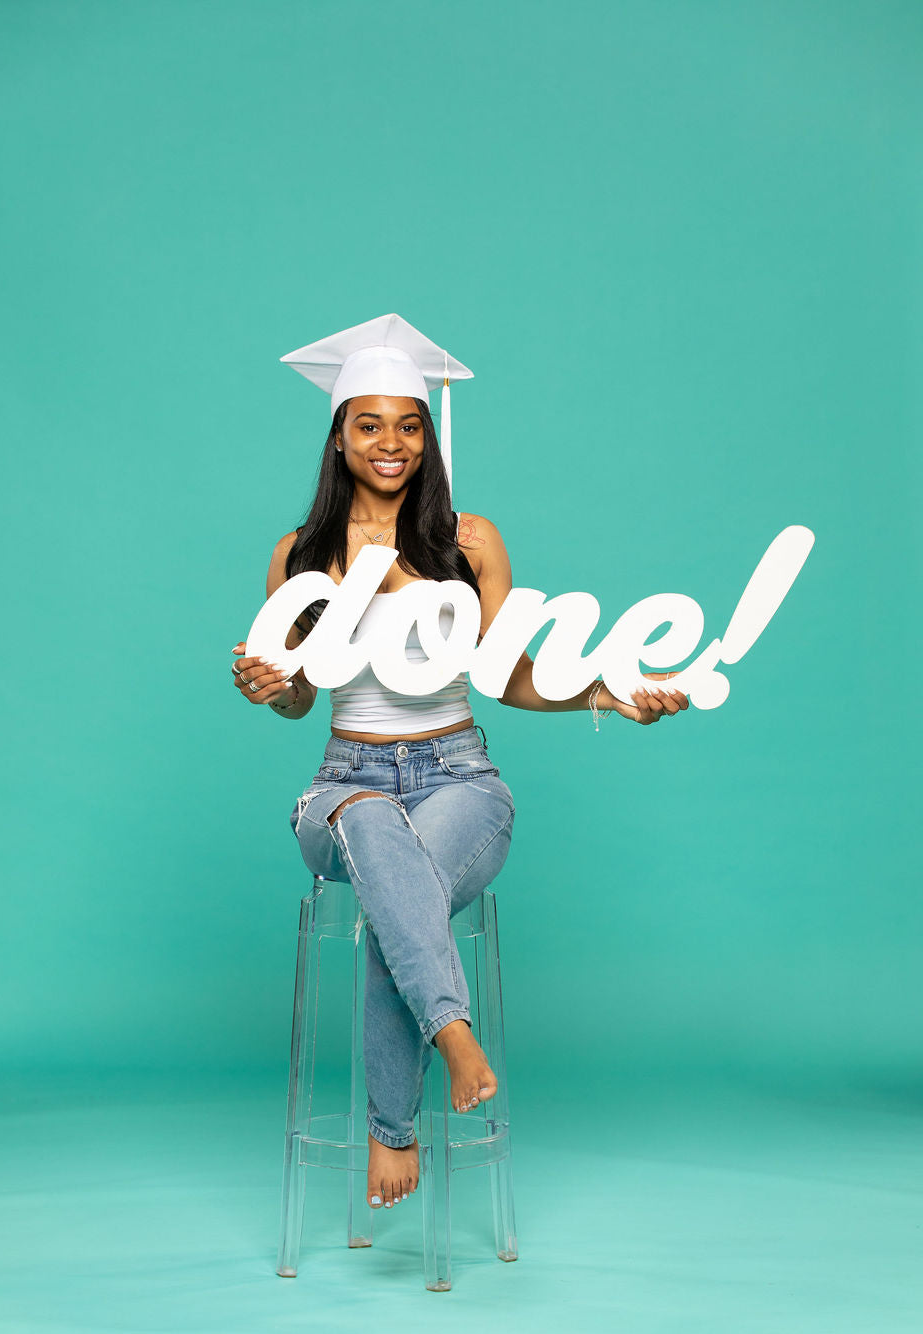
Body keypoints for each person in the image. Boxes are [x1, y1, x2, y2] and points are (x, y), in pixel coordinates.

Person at [231, 315, 688, 1215]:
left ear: (428, 435)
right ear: (338, 435)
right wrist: (269, 685)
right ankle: (454, 1034)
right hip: (344, 779)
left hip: (459, 780)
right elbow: (298, 699)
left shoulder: (469, 541)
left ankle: (389, 1132)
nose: (391, 443)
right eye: (369, 424)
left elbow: (507, 677)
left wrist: (612, 691)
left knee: (400, 899)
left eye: (409, 424)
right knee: (369, 828)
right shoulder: (300, 556)